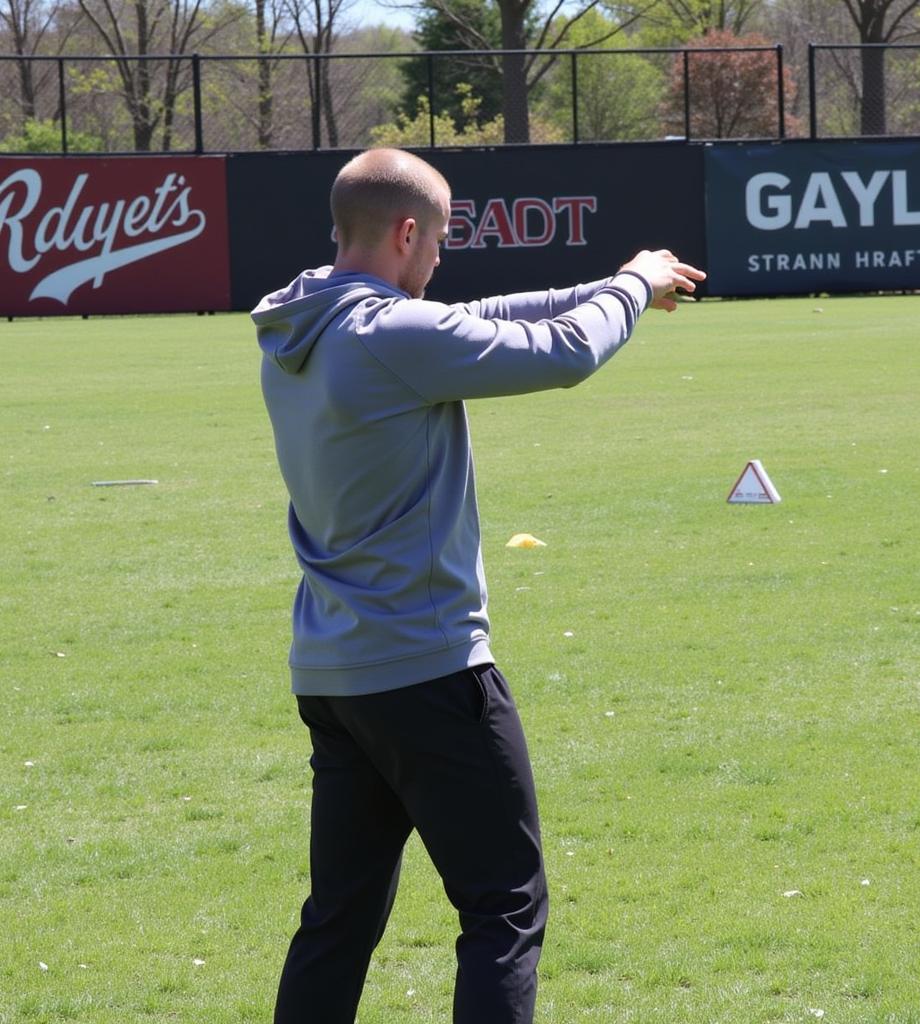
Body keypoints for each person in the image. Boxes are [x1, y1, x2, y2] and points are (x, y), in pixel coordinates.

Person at [253, 147, 706, 1024]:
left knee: (337, 920)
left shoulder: (304, 320)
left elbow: (477, 316)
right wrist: (634, 284)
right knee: (503, 907)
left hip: (334, 673)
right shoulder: (391, 338)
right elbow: (568, 354)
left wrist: (617, 283)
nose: (443, 260)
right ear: (408, 232)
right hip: (427, 670)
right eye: (441, 239)